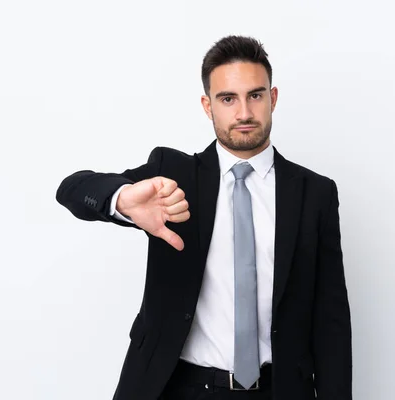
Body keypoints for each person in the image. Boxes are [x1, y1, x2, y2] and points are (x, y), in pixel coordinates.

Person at [56, 35, 352, 400]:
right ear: (207, 106)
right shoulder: (172, 177)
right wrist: (122, 198)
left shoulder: (315, 194)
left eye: (255, 95)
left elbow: (331, 322)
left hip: (280, 390)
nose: (244, 113)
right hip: (181, 389)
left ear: (272, 99)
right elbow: (72, 188)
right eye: (228, 99)